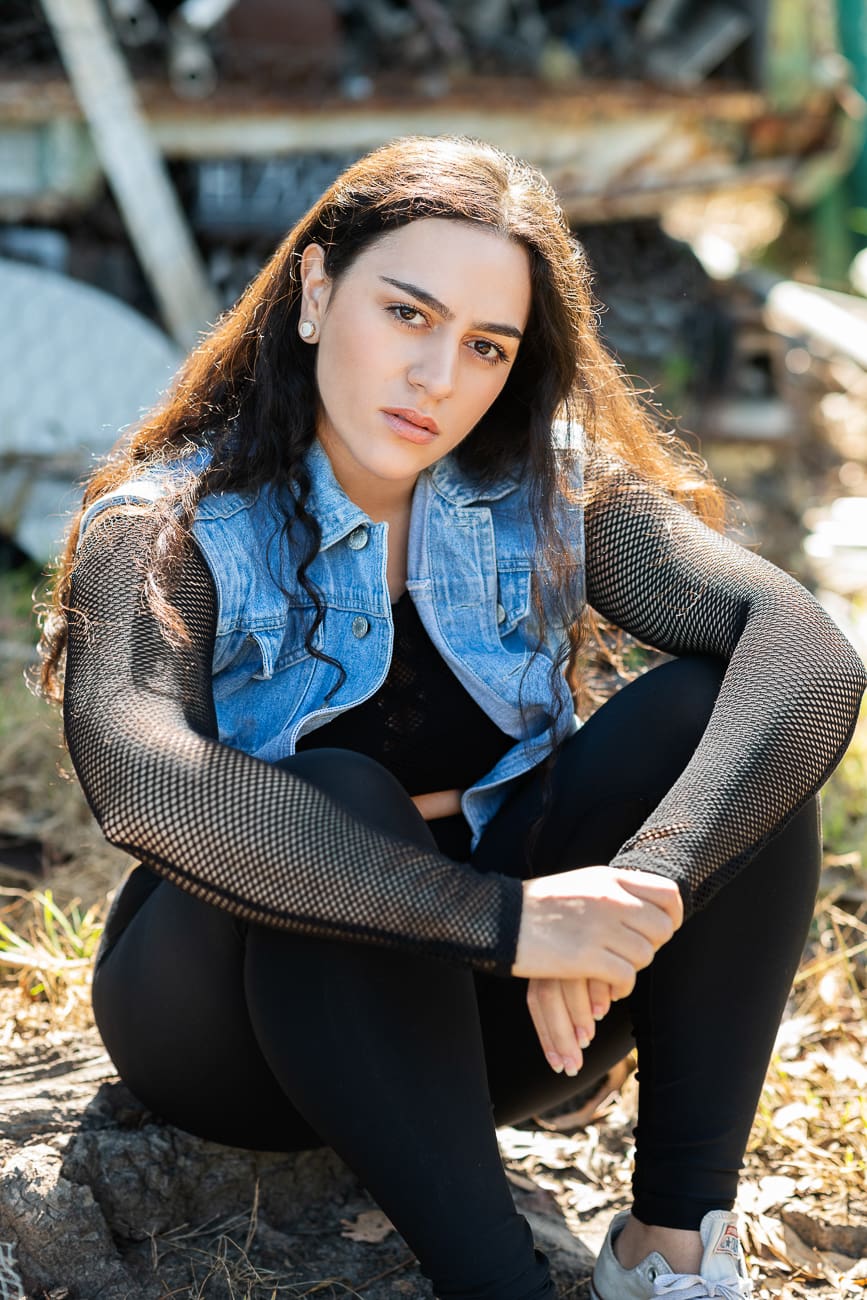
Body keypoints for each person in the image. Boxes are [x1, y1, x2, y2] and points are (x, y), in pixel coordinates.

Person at [39, 135, 865, 1300]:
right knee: (337, 791)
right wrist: (510, 921)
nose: (439, 376)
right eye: (408, 314)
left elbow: (808, 652)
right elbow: (141, 775)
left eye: (486, 346)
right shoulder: (175, 521)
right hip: (225, 1033)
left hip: (497, 1037)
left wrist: (647, 892)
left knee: (710, 712)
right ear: (318, 291)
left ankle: (673, 1253)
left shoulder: (544, 495)